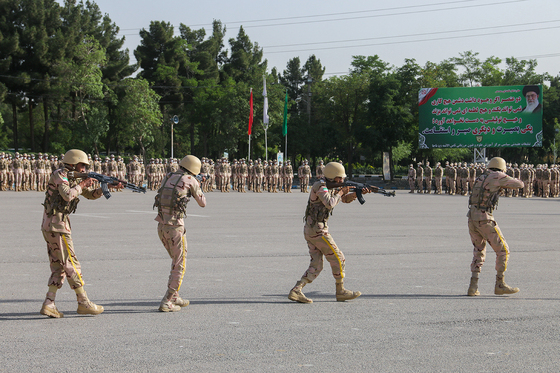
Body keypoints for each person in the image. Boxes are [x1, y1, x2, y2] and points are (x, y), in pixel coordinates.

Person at [40, 149, 122, 318]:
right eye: (82, 165)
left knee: (59, 266)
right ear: (73, 163)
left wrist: (106, 187)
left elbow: (90, 195)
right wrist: (82, 184)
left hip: (53, 225)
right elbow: (68, 195)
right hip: (57, 226)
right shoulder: (60, 174)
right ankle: (83, 302)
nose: (84, 169)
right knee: (72, 264)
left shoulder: (72, 178)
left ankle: (49, 303)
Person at [288, 162, 372, 303]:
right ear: (332, 176)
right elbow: (330, 203)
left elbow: (343, 200)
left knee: (317, 265)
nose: (342, 181)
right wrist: (341, 192)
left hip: (312, 229)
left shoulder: (329, 186)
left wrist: (356, 194)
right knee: (339, 258)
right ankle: (340, 291)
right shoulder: (320, 186)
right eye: (340, 178)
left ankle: (296, 290)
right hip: (318, 231)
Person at [153, 155, 206, 312]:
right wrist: (198, 185)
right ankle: (167, 300)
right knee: (179, 265)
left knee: (175, 261)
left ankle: (175, 295)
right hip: (176, 227)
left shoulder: (168, 176)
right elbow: (203, 203)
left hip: (161, 226)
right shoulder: (191, 180)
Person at [467, 157, 524, 297]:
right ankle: (500, 284)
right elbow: (520, 184)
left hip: (471, 217)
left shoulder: (482, 176)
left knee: (479, 250)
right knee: (503, 250)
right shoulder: (498, 176)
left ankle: (473, 286)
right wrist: (506, 178)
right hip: (484, 218)